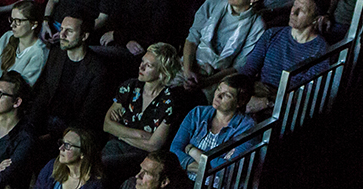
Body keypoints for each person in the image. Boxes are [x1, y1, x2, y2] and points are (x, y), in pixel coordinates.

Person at [237, 0, 331, 112]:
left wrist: (267, 102)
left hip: (284, 105)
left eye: (302, 10)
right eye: (294, 5)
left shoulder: (320, 51)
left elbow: (306, 95)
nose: (293, 12)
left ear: (316, 19)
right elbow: (249, 69)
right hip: (258, 90)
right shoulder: (272, 34)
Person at [100, 43, 180, 178]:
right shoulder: (130, 86)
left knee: (103, 167)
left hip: (143, 157)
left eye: (149, 65)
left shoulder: (169, 101)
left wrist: (120, 132)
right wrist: (141, 135)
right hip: (116, 144)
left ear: (162, 72)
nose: (141, 67)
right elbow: (107, 125)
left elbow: (154, 146)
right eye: (142, 61)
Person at [181, 0, 267, 91]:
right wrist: (187, 71)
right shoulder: (214, 2)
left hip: (218, 78)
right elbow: (192, 38)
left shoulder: (257, 26)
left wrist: (207, 82)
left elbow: (238, 66)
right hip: (191, 63)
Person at [26, 14, 107, 136]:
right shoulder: (56, 54)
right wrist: (30, 125)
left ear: (84, 36)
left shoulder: (97, 69)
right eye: (61, 29)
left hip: (70, 129)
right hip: (44, 119)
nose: (62, 35)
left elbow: (87, 114)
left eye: (69, 31)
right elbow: (43, 92)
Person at [169, 74, 255, 180]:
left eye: (227, 95)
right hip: (185, 180)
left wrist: (192, 150)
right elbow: (175, 149)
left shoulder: (246, 127)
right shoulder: (198, 113)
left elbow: (229, 170)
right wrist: (205, 168)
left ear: (240, 102)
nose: (218, 96)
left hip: (216, 187)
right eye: (218, 89)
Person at [0, 0, 48, 114]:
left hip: (8, 102)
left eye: (18, 21)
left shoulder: (39, 52)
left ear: (33, 24)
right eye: (12, 20)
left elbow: (20, 89)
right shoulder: (7, 37)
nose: (12, 25)